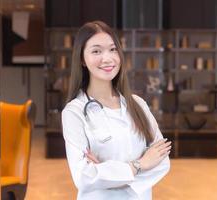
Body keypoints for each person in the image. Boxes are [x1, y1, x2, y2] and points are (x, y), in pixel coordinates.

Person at [61, 20, 171, 200]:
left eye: (113, 49)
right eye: (96, 51)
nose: (107, 58)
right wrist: (140, 165)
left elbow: (162, 161)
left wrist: (104, 173)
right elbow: (82, 177)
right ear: (82, 58)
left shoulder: (138, 104)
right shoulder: (74, 112)